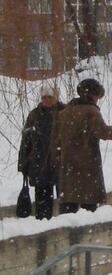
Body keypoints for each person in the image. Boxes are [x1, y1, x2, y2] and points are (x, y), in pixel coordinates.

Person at [50, 78, 112, 214]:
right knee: (88, 207)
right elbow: (103, 132)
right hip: (87, 164)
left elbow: (55, 140)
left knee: (69, 206)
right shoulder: (91, 112)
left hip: (68, 166)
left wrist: (58, 160)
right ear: (93, 95)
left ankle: (68, 230)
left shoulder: (64, 112)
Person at [18, 85, 65, 219]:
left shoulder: (64, 112)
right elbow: (26, 141)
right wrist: (23, 163)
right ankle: (43, 224)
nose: (47, 100)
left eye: (50, 97)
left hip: (60, 161)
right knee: (42, 200)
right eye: (44, 97)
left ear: (56, 97)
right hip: (39, 162)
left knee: (64, 199)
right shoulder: (34, 114)